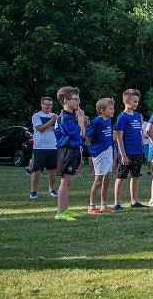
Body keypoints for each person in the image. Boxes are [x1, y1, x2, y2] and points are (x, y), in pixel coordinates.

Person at [52, 86, 86, 221]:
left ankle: (65, 209)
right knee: (65, 182)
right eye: (75, 99)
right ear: (65, 100)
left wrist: (80, 120)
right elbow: (78, 133)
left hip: (74, 150)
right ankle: (60, 212)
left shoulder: (71, 116)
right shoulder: (65, 117)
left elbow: (82, 134)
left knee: (69, 181)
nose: (78, 102)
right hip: (67, 151)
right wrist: (80, 119)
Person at [114, 89, 147, 211]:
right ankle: (117, 203)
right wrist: (123, 155)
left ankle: (134, 201)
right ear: (126, 101)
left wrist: (141, 138)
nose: (136, 104)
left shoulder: (138, 116)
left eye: (137, 101)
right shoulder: (122, 117)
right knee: (121, 177)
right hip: (126, 153)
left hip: (137, 151)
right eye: (134, 101)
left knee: (135, 176)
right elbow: (119, 138)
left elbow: (139, 131)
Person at [86, 98, 115, 214]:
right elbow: (87, 134)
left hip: (108, 150)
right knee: (98, 180)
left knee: (107, 179)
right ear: (102, 110)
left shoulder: (108, 120)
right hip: (100, 152)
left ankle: (104, 205)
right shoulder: (97, 121)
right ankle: (92, 206)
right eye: (110, 108)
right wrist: (94, 146)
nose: (113, 110)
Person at [30, 97, 58, 199]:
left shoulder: (55, 116)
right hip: (40, 147)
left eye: (50, 105)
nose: (48, 107)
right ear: (42, 104)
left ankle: (51, 190)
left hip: (53, 147)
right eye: (46, 104)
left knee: (53, 170)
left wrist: (57, 120)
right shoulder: (36, 116)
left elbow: (59, 129)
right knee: (36, 170)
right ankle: (33, 192)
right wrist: (52, 121)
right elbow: (41, 129)